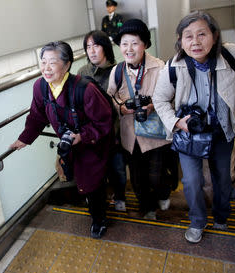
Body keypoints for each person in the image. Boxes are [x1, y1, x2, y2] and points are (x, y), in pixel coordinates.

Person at [153, 11, 235, 243]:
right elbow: (159, 100)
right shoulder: (172, 66)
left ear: (215, 35)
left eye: (202, 34)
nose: (195, 42)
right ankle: (197, 221)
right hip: (190, 135)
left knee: (223, 179)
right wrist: (177, 122)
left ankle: (221, 216)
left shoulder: (230, 54)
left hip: (223, 131)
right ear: (180, 40)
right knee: (191, 181)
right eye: (188, 36)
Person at [10, 41, 114, 239]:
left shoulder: (85, 89)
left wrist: (83, 135)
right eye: (43, 62)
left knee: (92, 183)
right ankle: (94, 202)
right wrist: (25, 138)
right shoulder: (40, 87)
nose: (46, 69)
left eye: (52, 63)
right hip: (71, 146)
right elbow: (37, 115)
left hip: (93, 144)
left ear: (67, 65)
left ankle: (99, 220)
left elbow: (104, 121)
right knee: (78, 179)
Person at [107, 19, 176, 220]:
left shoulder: (160, 67)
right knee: (137, 180)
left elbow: (170, 95)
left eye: (134, 43)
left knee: (156, 176)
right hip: (130, 135)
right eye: (124, 43)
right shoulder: (117, 70)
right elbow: (111, 96)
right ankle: (148, 210)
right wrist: (121, 107)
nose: (129, 49)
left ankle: (163, 192)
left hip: (156, 134)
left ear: (145, 44)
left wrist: (152, 105)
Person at [78, 30, 127, 212]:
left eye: (96, 45)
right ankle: (102, 202)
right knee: (99, 172)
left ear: (105, 47)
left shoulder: (119, 70)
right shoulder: (82, 72)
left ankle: (120, 197)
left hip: (115, 133)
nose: (91, 51)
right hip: (94, 135)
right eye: (88, 47)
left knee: (119, 171)